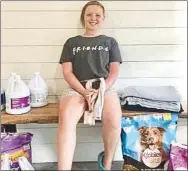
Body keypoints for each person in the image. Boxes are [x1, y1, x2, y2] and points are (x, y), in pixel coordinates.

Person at [57, 1, 122, 170]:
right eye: (89, 15)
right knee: (66, 117)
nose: (93, 18)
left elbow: (114, 72)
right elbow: (67, 72)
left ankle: (106, 165)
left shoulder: (110, 42)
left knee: (114, 118)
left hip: (104, 87)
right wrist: (84, 91)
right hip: (76, 88)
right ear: (83, 18)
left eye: (97, 15)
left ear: (103, 18)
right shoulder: (71, 42)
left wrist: (101, 90)